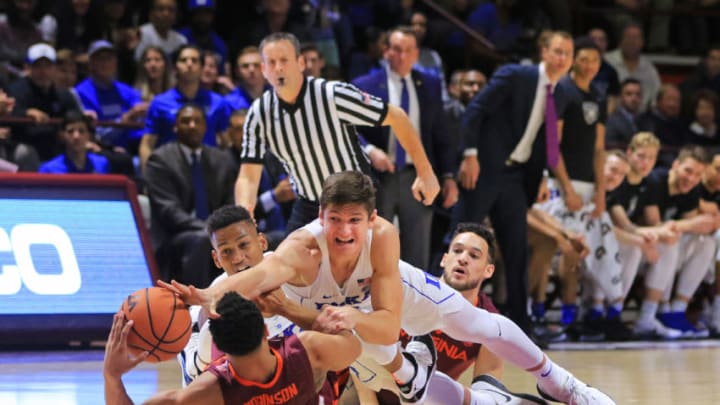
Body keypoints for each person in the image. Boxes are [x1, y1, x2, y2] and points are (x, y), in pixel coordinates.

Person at [165, 171, 616, 405]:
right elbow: (257, 275)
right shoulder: (303, 249)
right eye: (334, 219)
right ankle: (412, 372)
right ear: (320, 216)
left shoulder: (383, 238)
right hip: (346, 328)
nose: (343, 231)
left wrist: (354, 318)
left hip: (384, 303)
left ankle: (562, 384)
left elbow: (385, 324)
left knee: (478, 324)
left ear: (372, 219)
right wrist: (205, 297)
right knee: (382, 370)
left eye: (354, 221)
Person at [236, 32, 440, 234]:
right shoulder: (259, 113)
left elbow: (397, 116)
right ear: (263, 69)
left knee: (369, 264)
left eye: (284, 60)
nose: (278, 68)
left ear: (300, 63)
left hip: (356, 198)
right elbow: (248, 175)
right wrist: (245, 210)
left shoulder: (332, 94)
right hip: (310, 204)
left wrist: (425, 172)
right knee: (287, 263)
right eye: (271, 62)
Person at [454, 30, 574, 331]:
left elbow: (543, 139)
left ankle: (518, 326)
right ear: (544, 51)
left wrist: (544, 175)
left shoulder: (558, 92)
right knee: (457, 239)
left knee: (517, 250)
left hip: (515, 177)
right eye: (558, 51)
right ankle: (437, 314)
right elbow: (475, 111)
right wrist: (470, 154)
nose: (563, 59)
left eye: (568, 54)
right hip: (484, 169)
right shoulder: (516, 75)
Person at [375, 222, 549, 405]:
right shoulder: (410, 290)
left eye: (474, 255)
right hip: (368, 391)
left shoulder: (492, 326)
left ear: (489, 270)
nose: (463, 259)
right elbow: (362, 355)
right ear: (444, 259)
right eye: (457, 251)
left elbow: (485, 393)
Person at [103, 291, 361, 405]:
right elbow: (354, 347)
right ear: (265, 331)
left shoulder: (208, 391)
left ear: (220, 349)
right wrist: (300, 314)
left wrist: (112, 376)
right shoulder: (309, 350)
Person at [352, 26, 456, 269]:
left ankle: (413, 305)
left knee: (417, 250)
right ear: (386, 51)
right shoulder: (365, 84)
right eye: (396, 49)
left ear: (416, 54)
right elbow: (348, 128)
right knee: (376, 246)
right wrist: (369, 150)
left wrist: (449, 176)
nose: (402, 56)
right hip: (378, 176)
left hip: (417, 176)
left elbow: (442, 133)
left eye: (408, 51)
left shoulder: (429, 84)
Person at [144, 103, 235, 288]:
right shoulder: (160, 159)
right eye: (186, 121)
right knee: (201, 239)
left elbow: (229, 203)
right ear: (175, 127)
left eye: (197, 121)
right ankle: (196, 306)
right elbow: (169, 211)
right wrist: (210, 230)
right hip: (174, 237)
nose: (192, 125)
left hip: (213, 232)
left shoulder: (222, 159)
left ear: (205, 126)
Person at [140, 45, 231, 169]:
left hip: (208, 168)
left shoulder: (218, 102)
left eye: (194, 61)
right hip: (170, 168)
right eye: (183, 60)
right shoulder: (159, 103)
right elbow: (147, 144)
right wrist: (149, 177)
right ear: (174, 68)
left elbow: (227, 143)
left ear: (201, 68)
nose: (189, 64)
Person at [39, 110, 111, 174]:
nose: (76, 136)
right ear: (61, 135)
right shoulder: (49, 169)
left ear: (89, 136)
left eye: (81, 131)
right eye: (70, 131)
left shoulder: (101, 164)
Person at [605, 78, 643, 149]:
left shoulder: (647, 120)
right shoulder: (611, 121)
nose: (634, 98)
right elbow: (610, 147)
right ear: (620, 97)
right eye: (629, 94)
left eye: (638, 94)